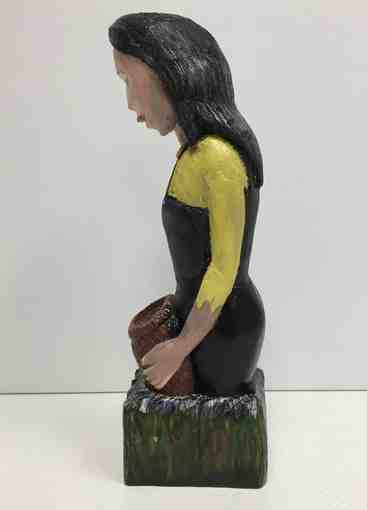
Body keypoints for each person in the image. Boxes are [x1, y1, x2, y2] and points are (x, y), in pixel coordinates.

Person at [109, 13, 265, 397]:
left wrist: (180, 347)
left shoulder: (218, 157)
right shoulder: (193, 153)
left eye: (128, 80)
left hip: (224, 331)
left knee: (206, 414)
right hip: (197, 322)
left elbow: (224, 269)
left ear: (168, 74)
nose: (129, 103)